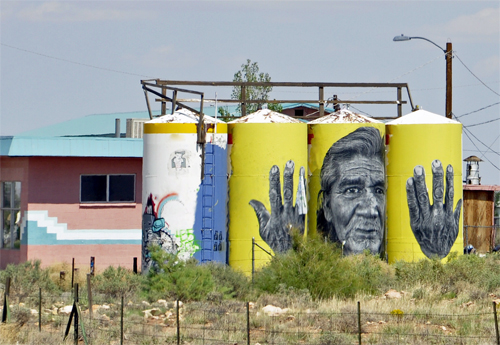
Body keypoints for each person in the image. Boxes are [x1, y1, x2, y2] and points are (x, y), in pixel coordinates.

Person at [317, 127, 385, 255]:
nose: (370, 211)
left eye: (378, 191)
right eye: (352, 190)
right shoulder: (319, 271)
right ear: (327, 206)